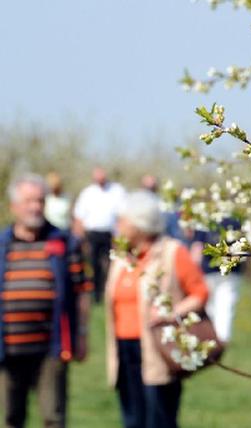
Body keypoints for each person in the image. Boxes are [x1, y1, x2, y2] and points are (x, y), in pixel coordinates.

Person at [104, 191, 208, 428]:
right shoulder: (121, 256)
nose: (118, 226)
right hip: (124, 350)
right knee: (132, 419)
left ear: (139, 225)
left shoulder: (172, 252)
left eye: (123, 220)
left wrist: (172, 312)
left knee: (159, 419)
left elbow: (200, 293)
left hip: (158, 348)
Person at [0, 174, 91, 428]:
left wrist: (82, 336)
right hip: (9, 349)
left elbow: (82, 290)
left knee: (53, 417)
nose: (35, 207)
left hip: (51, 348)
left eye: (40, 200)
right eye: (29, 201)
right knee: (11, 418)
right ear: (14, 206)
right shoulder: (2, 245)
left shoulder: (63, 242)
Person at [169, 217, 243, 343]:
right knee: (225, 307)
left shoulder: (205, 220)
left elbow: (196, 250)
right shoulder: (235, 220)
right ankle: (221, 340)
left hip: (208, 271)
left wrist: (192, 271)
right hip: (230, 272)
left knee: (211, 308)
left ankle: (213, 339)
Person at [73, 167, 125, 304]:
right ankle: (97, 295)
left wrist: (119, 237)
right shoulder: (88, 193)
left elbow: (122, 215)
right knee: (94, 265)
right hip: (93, 234)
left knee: (112, 264)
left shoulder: (116, 191)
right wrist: (80, 238)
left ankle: (111, 291)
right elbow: (79, 217)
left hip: (110, 234)